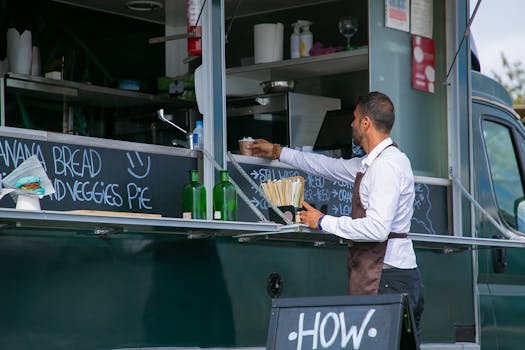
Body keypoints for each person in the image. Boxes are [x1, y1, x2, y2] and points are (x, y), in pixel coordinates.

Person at [249, 91, 424, 335]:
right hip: (387, 276)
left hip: (388, 279)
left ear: (366, 122)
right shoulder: (373, 163)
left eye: (354, 118)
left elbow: (377, 229)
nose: (351, 124)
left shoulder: (386, 166)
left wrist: (322, 222)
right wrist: (278, 152)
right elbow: (326, 166)